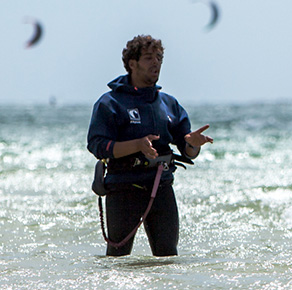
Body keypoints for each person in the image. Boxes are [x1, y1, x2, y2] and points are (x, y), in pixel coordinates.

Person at [87, 35, 213, 257]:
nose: (156, 63)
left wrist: (193, 145)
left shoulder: (169, 104)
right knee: (118, 260)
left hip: (161, 187)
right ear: (132, 64)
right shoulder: (110, 103)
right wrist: (137, 145)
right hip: (123, 188)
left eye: (159, 58)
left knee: (167, 258)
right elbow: (97, 145)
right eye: (148, 58)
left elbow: (188, 151)